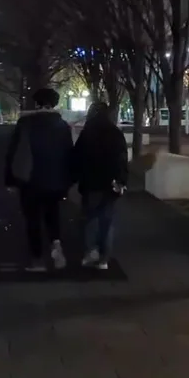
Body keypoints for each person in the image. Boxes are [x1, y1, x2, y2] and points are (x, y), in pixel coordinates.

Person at [4, 87, 75, 271]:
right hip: (55, 180)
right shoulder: (63, 126)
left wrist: (10, 180)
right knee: (52, 214)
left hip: (30, 180)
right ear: (55, 104)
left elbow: (13, 152)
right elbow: (69, 154)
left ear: (36, 103)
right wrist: (68, 181)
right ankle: (56, 242)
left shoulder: (25, 123)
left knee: (32, 219)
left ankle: (37, 260)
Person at [71, 102, 129, 270]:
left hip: (91, 183)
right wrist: (121, 181)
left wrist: (74, 178)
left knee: (90, 218)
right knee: (107, 221)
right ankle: (104, 258)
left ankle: (91, 251)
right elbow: (122, 160)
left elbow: (77, 157)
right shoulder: (115, 133)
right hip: (110, 184)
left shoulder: (88, 133)